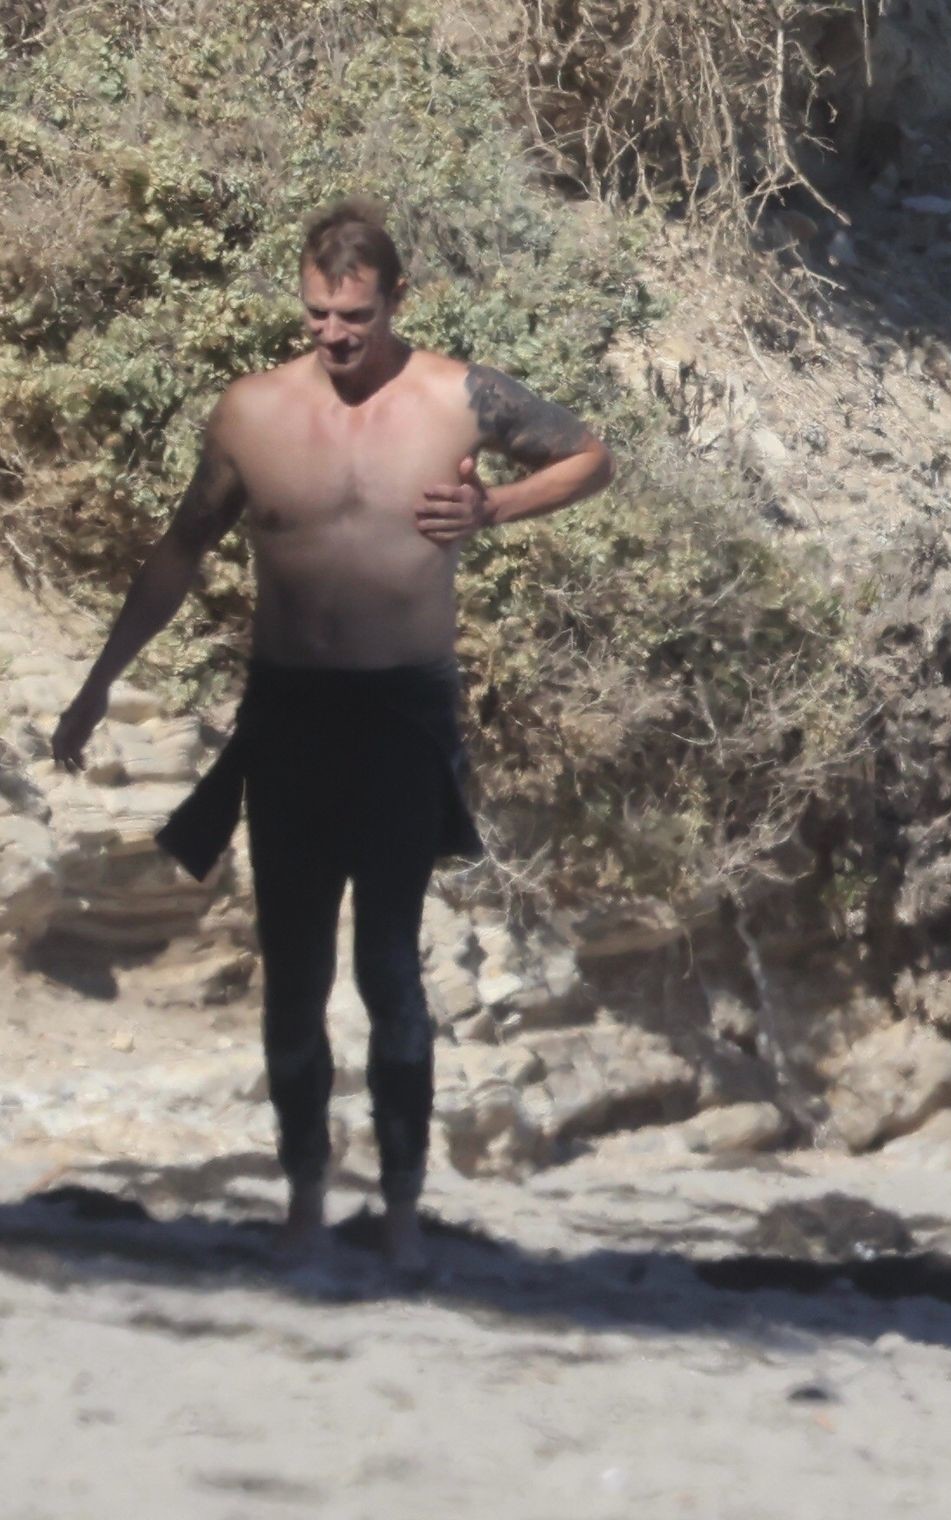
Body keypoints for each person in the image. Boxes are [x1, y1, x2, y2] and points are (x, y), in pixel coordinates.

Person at [51, 198, 613, 1268]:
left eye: (355, 315)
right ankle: (306, 1200)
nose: (334, 334)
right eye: (317, 314)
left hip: (402, 713)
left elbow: (591, 457)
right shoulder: (252, 412)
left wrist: (495, 508)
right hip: (291, 713)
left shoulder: (458, 397)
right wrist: (96, 684)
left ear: (397, 299)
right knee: (296, 970)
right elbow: (181, 548)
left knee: (389, 967)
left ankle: (400, 1212)